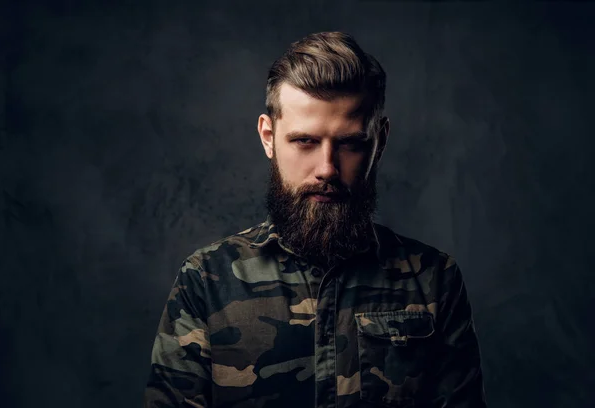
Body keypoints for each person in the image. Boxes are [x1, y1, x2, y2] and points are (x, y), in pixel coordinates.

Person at [143, 31, 487, 408]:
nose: (327, 168)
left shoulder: (434, 281)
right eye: (305, 141)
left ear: (380, 142)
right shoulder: (205, 282)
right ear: (268, 137)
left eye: (350, 144)